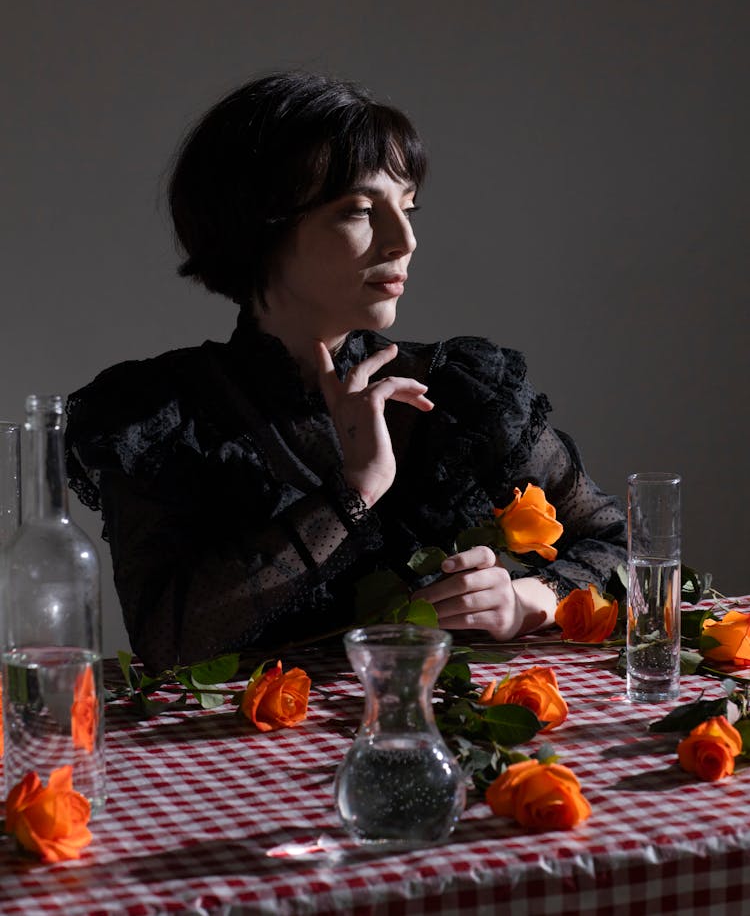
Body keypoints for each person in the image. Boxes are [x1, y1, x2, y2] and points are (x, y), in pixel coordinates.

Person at [65, 72, 626, 673]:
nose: (403, 239)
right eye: (360, 210)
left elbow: (628, 551)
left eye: (407, 207)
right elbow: (168, 644)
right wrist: (354, 491)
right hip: (258, 757)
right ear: (261, 230)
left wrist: (524, 602)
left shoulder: (462, 390)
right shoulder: (161, 419)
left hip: (461, 741)